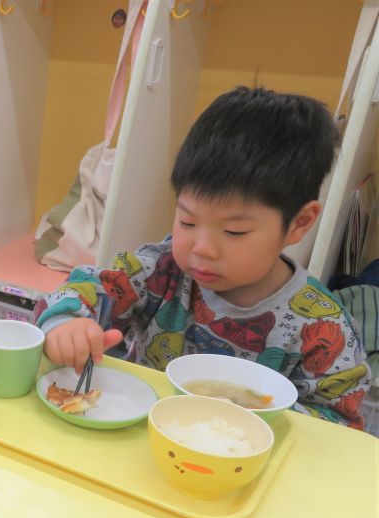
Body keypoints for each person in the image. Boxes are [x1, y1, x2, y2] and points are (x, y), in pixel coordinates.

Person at [34, 86, 371, 429]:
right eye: (188, 221)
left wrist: (256, 415)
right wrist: (66, 325)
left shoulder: (321, 328)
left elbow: (341, 426)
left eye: (234, 232)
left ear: (299, 223)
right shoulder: (161, 270)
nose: (201, 248)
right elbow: (89, 286)